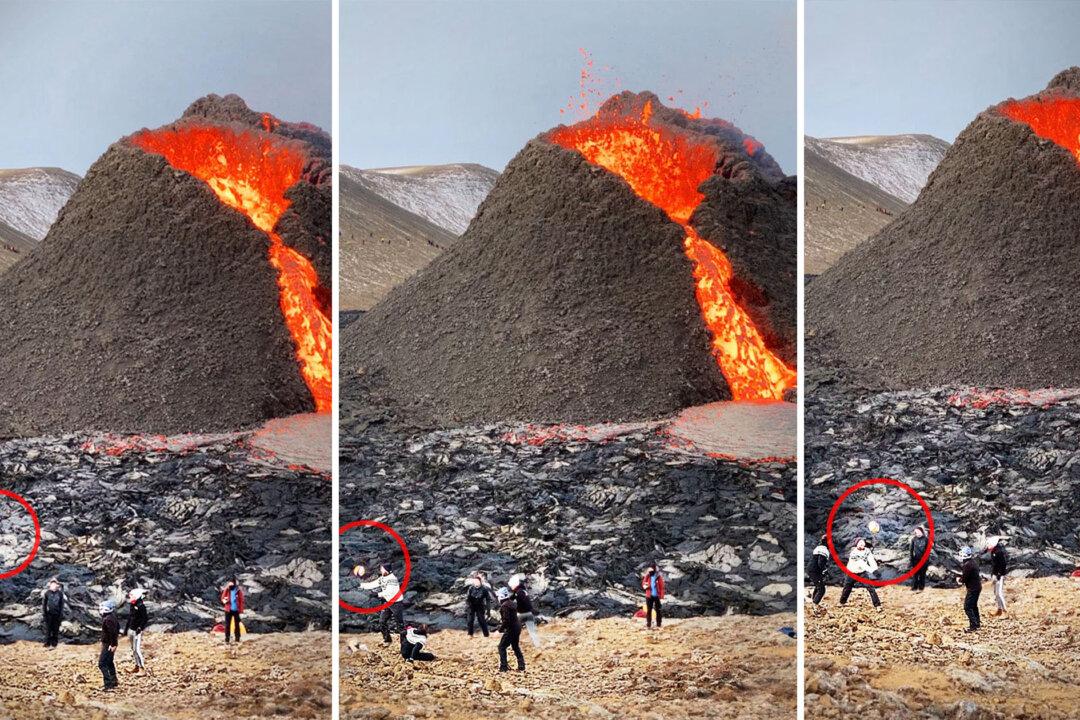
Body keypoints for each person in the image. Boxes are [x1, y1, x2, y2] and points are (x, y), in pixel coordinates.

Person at [359, 563, 404, 644]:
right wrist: (360, 585)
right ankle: (387, 640)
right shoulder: (382, 578)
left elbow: (390, 591)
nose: (381, 570)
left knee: (400, 624)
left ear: (387, 570)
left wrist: (377, 594)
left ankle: (404, 643)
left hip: (396, 603)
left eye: (382, 569)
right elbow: (372, 584)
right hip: (387, 602)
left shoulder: (392, 579)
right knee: (382, 621)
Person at [838, 537, 882, 610]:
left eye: (862, 542)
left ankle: (877, 605)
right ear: (856, 544)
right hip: (851, 572)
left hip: (862, 573)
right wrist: (873, 571)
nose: (861, 543)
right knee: (847, 588)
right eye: (859, 542)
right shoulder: (853, 552)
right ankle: (842, 602)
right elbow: (861, 563)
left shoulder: (867, 551)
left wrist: (875, 569)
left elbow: (871, 560)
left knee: (870, 587)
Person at [496, 587, 525, 673]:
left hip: (511, 629)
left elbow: (506, 621)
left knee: (501, 647)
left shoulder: (504, 606)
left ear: (501, 596)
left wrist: (499, 630)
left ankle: (504, 667)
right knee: (515, 646)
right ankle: (521, 666)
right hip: (517, 627)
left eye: (498, 596)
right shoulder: (511, 603)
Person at [509, 574, 540, 647]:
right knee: (532, 631)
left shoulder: (518, 593)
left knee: (513, 630)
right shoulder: (523, 591)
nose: (511, 587)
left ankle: (514, 645)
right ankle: (537, 645)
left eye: (512, 586)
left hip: (521, 614)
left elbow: (517, 602)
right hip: (529, 613)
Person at [124, 589, 149, 673]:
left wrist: (140, 628)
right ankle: (137, 666)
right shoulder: (132, 605)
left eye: (132, 596)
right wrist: (126, 629)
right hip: (131, 629)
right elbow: (130, 617)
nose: (130, 597)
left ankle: (142, 668)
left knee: (137, 649)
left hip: (136, 631)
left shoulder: (141, 606)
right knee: (133, 649)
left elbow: (145, 618)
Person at [958, 546, 982, 632]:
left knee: (967, 607)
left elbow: (964, 578)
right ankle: (977, 623)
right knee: (973, 606)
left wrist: (959, 580)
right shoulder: (973, 562)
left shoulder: (967, 565)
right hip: (977, 587)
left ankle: (973, 626)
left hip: (973, 588)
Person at [99, 601, 120, 691]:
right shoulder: (112, 617)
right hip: (109, 643)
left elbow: (112, 633)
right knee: (109, 662)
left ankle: (108, 684)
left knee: (102, 663)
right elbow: (117, 629)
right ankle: (114, 680)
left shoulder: (108, 619)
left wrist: (113, 644)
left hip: (108, 644)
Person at [465, 572, 492, 638]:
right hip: (471, 605)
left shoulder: (484, 589)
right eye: (475, 582)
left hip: (480, 605)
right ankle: (470, 634)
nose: (476, 583)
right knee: (470, 620)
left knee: (481, 620)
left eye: (477, 581)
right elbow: (467, 598)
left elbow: (488, 599)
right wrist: (468, 605)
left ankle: (486, 634)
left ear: (480, 582)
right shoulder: (471, 588)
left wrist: (488, 610)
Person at [985, 538, 1008, 616]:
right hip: (996, 574)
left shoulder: (999, 552)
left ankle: (1005, 610)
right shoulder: (994, 551)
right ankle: (999, 609)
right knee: (996, 592)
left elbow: (1003, 564)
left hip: (1000, 575)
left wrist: (998, 574)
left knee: (999, 593)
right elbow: (995, 564)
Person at [219, 577, 245, 645]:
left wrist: (241, 610)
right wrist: (225, 601)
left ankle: (237, 638)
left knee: (237, 625)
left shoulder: (238, 590)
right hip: (228, 610)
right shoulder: (227, 589)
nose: (230, 586)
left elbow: (241, 600)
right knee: (227, 625)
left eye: (231, 584)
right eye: (229, 584)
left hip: (236, 610)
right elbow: (222, 598)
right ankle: (227, 639)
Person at [808, 536, 830, 612]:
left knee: (818, 586)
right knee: (822, 589)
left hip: (812, 569)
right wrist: (824, 570)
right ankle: (815, 605)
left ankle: (813, 601)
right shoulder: (824, 550)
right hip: (815, 571)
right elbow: (820, 562)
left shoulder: (818, 548)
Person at [641, 563, 666, 629]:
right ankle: (648, 624)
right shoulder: (647, 576)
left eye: (651, 570)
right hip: (649, 596)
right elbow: (643, 584)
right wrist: (646, 586)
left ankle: (659, 624)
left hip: (657, 596)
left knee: (658, 610)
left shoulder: (658, 577)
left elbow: (661, 587)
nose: (650, 572)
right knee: (649, 610)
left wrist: (661, 596)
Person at [42, 578, 65, 649]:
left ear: (57, 584)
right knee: (48, 628)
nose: (53, 584)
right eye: (52, 583)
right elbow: (44, 604)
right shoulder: (47, 593)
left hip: (57, 614)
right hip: (48, 614)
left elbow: (61, 604)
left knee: (55, 629)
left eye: (55, 583)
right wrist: (44, 613)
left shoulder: (60, 594)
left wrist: (61, 614)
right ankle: (47, 642)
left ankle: (54, 643)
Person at [909, 526, 930, 592]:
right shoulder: (913, 539)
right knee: (915, 574)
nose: (917, 533)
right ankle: (914, 587)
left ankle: (921, 588)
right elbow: (911, 550)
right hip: (916, 559)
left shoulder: (926, 539)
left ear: (922, 532)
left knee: (922, 574)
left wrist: (926, 560)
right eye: (916, 532)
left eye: (919, 531)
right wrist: (911, 559)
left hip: (924, 560)